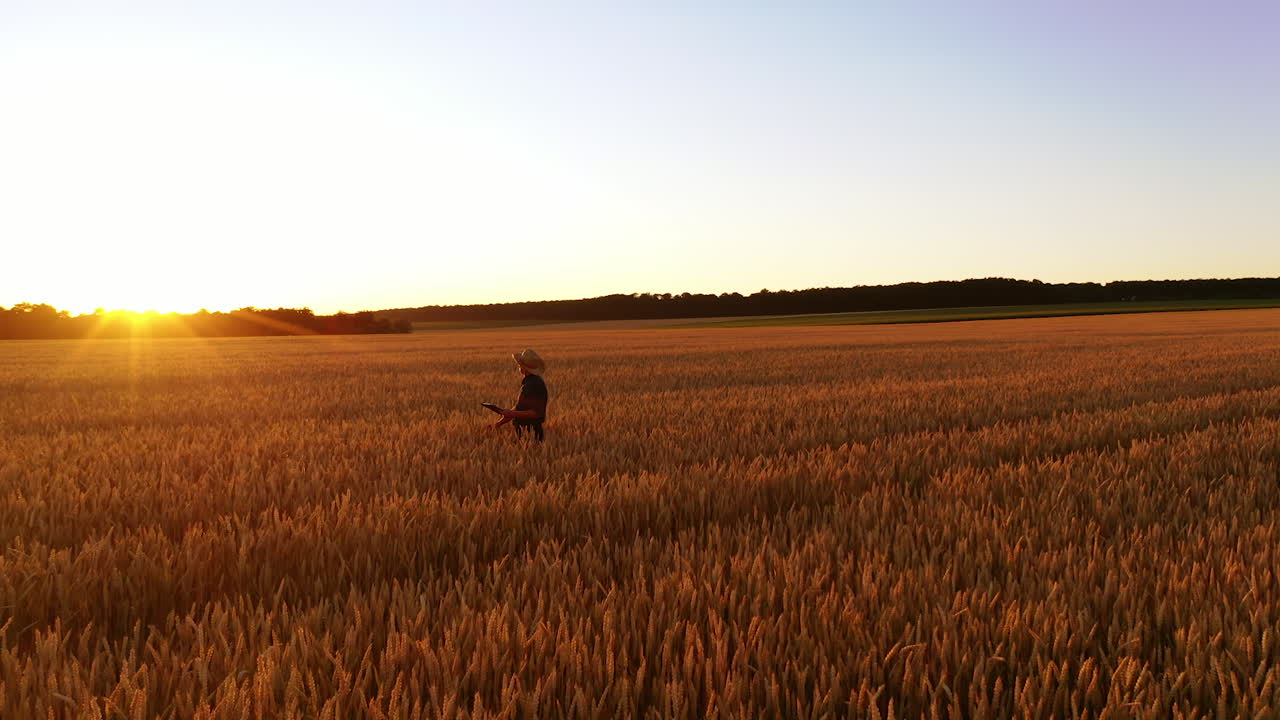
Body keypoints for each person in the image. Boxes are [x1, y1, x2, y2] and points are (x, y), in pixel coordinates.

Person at [494, 348, 548, 442]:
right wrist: (499, 423)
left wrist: (511, 413)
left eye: (520, 365)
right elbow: (520, 408)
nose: (518, 367)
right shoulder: (529, 382)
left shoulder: (534, 385)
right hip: (525, 432)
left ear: (524, 368)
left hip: (531, 432)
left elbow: (535, 413)